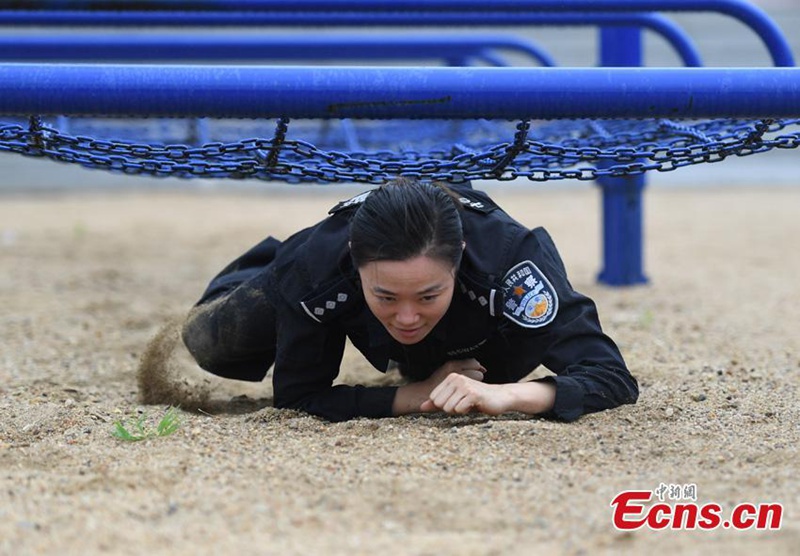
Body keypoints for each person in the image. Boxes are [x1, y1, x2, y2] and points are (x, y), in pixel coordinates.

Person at [180, 178, 638, 422]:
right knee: (209, 341)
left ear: (457, 261)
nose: (406, 316)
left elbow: (610, 375)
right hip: (303, 270)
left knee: (480, 349)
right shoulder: (316, 267)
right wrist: (412, 396)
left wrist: (509, 395)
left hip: (477, 331)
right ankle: (268, 268)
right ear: (354, 264)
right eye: (385, 295)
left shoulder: (511, 264)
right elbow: (299, 398)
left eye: (427, 294)